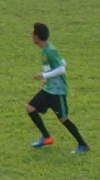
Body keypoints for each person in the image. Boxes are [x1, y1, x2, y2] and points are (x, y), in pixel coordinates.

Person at [27, 22, 89, 152]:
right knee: (30, 108)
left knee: (63, 119)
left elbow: (61, 69)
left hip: (57, 91)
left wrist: (43, 75)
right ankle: (46, 137)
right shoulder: (46, 50)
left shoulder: (50, 50)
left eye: (33, 33)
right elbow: (63, 62)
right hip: (49, 88)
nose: (31, 35)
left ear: (37, 36)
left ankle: (83, 145)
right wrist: (48, 79)